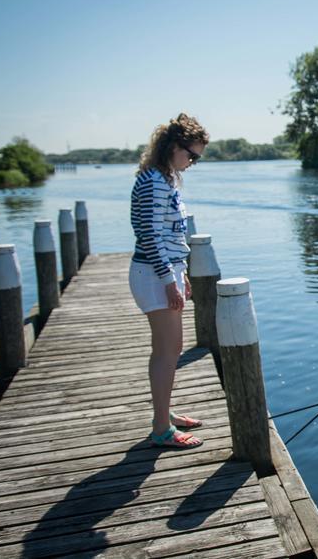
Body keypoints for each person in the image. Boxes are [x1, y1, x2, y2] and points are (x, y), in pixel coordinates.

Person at [129, 113, 209, 448]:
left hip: (165, 270)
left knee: (170, 350)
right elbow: (148, 235)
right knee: (166, 352)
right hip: (153, 273)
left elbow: (170, 233)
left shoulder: (165, 179)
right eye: (191, 155)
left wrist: (182, 274)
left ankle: (165, 413)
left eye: (197, 158)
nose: (192, 162)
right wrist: (168, 279)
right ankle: (161, 428)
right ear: (173, 147)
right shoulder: (152, 182)